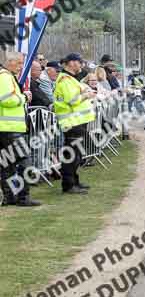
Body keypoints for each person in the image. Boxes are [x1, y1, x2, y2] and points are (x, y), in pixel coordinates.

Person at [0, 52, 39, 207]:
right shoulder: (4, 77)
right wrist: (23, 97)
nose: (22, 67)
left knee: (7, 164)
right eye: (19, 63)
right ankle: (23, 197)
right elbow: (6, 100)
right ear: (10, 62)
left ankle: (10, 197)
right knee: (25, 161)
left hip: (6, 128)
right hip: (10, 128)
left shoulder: (5, 76)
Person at [53, 53, 96, 195]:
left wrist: (85, 92)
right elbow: (72, 100)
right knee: (71, 155)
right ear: (71, 63)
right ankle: (69, 185)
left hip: (76, 121)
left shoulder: (71, 79)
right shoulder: (65, 79)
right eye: (80, 62)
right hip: (71, 122)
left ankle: (74, 182)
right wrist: (87, 95)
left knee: (76, 155)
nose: (81, 65)